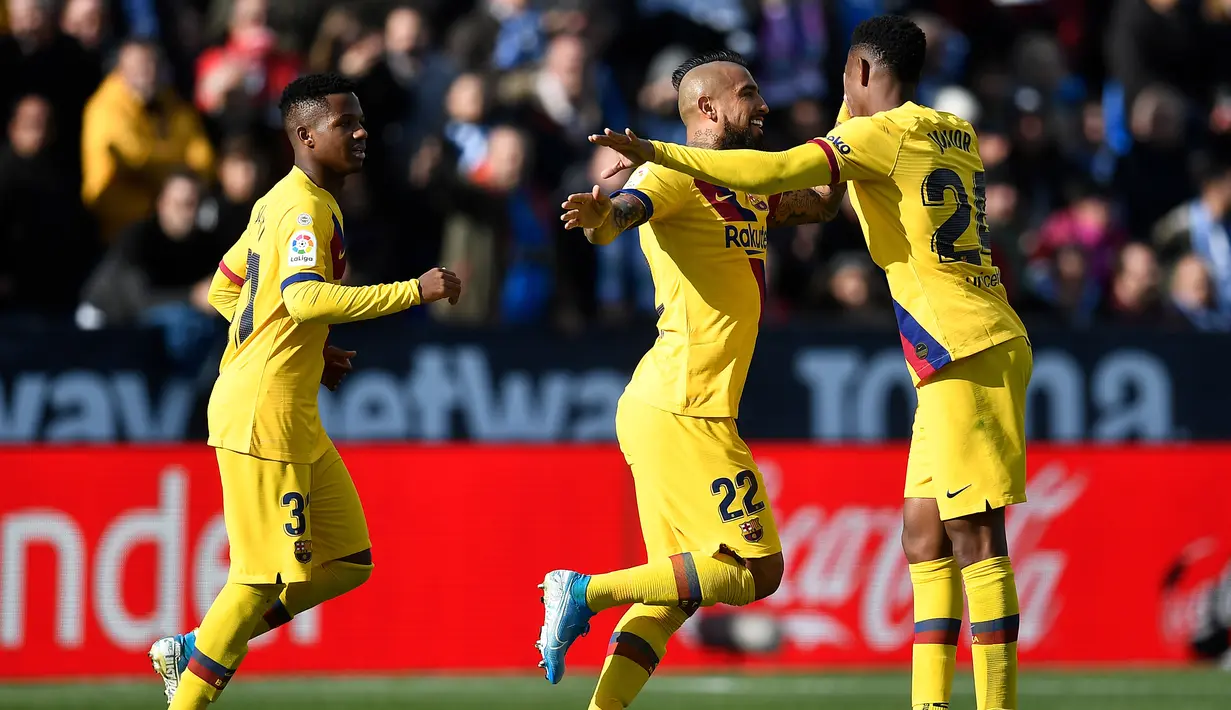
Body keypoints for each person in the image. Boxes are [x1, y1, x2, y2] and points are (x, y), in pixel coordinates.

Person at [595, 15, 1030, 710]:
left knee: (975, 538)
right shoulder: (954, 130)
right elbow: (825, 189)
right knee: (923, 537)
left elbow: (776, 170)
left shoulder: (872, 136)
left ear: (857, 75)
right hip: (969, 339)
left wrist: (657, 149)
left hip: (961, 346)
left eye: (842, 82)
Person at [538, 50, 842, 710]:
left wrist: (853, 118)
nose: (762, 106)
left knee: (674, 593)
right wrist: (604, 217)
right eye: (747, 94)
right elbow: (626, 209)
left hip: (669, 404)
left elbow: (820, 202)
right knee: (757, 571)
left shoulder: (747, 181)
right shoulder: (673, 176)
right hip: (684, 405)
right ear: (706, 109)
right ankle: (582, 591)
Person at [147, 73, 462, 708]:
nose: (361, 132)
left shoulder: (280, 200)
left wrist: (309, 351)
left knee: (348, 561)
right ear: (305, 134)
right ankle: (191, 691)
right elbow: (303, 296)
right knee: (257, 581)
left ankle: (198, 646)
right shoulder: (304, 209)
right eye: (346, 124)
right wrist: (413, 290)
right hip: (266, 414)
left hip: (291, 414)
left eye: (361, 120)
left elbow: (226, 288)